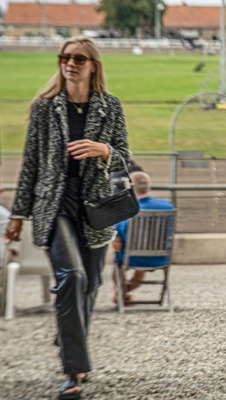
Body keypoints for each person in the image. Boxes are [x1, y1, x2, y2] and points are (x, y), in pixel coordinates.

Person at [4, 36, 129, 400]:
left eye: (77, 58)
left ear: (92, 65)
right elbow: (31, 165)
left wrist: (104, 150)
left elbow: (123, 155)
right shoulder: (44, 108)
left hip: (95, 208)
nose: (69, 63)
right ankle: (72, 371)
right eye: (64, 57)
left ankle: (69, 332)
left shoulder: (110, 106)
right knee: (71, 276)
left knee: (89, 285)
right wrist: (18, 214)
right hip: (53, 205)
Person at [112, 172, 174, 302]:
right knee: (140, 269)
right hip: (160, 257)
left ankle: (121, 294)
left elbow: (117, 246)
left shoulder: (126, 210)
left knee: (117, 262)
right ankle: (123, 294)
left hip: (132, 259)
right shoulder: (167, 205)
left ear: (129, 188)